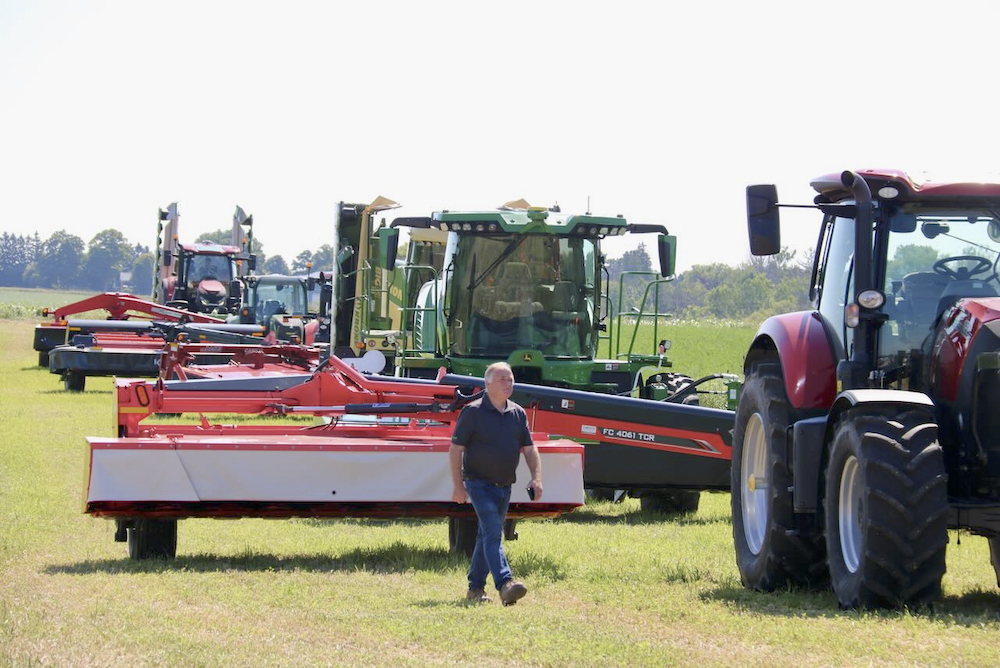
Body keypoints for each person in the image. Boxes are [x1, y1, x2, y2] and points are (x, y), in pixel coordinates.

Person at [450, 362, 543, 605]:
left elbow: (530, 448)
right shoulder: (472, 412)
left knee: (485, 537)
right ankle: (505, 584)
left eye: (510, 379)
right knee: (493, 532)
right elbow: (456, 449)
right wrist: (458, 486)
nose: (508, 383)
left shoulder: (517, 413)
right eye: (502, 379)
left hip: (505, 486)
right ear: (488, 383)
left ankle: (475, 589)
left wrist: (536, 477)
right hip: (478, 484)